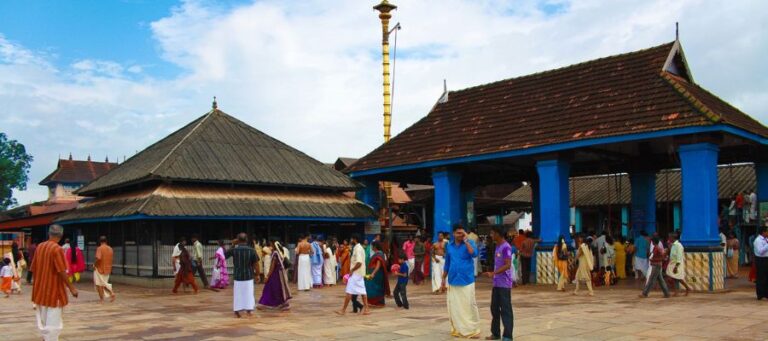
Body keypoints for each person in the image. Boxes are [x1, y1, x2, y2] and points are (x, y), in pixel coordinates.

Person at [30, 224, 79, 341]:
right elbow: (62, 271)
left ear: (49, 234)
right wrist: (71, 288)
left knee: (44, 321)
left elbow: (33, 268)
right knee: (53, 324)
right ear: (61, 236)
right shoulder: (57, 249)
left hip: (40, 291)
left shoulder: (40, 247)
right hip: (54, 292)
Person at [441, 224, 481, 338]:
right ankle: (459, 329)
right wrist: (443, 278)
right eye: (458, 233)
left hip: (467, 279)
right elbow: (447, 263)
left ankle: (473, 330)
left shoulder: (470, 243)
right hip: (453, 279)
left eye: (462, 233)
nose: (460, 235)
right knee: (455, 306)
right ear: (453, 233)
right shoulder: (449, 246)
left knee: (469, 305)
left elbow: (474, 254)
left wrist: (466, 240)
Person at [483, 226, 514, 341]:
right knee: (494, 308)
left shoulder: (506, 247)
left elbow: (507, 265)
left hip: (504, 284)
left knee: (506, 309)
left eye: (492, 233)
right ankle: (495, 333)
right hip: (496, 284)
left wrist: (493, 273)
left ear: (498, 234)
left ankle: (507, 335)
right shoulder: (497, 246)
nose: (491, 235)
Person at [226, 233, 259, 317]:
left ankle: (237, 310)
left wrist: (233, 244)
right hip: (248, 275)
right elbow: (256, 264)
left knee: (238, 293)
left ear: (238, 240)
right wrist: (257, 275)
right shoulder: (252, 250)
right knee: (249, 293)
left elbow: (225, 255)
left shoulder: (234, 250)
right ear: (246, 239)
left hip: (238, 275)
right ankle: (249, 310)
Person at [336, 234, 369, 315]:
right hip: (359, 273)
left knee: (349, 291)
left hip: (356, 273)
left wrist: (352, 270)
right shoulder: (359, 248)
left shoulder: (358, 248)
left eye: (351, 239)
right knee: (363, 291)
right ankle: (366, 309)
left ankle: (343, 310)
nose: (351, 240)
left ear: (354, 239)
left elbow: (359, 262)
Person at [258, 241, 292, 311]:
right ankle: (282, 303)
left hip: (275, 274)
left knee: (270, 287)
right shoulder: (280, 252)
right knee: (279, 288)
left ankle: (265, 303)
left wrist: (267, 276)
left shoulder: (275, 253)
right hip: (280, 273)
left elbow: (272, 266)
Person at [365, 241, 390, 307]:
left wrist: (373, 273)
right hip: (375, 274)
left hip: (377, 275)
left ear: (375, 246)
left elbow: (378, 266)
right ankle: (373, 302)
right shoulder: (377, 253)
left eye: (372, 246)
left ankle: (379, 302)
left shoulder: (379, 254)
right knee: (372, 288)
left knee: (376, 288)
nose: (371, 247)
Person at [94, 236, 115, 302]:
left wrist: (94, 265)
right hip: (108, 268)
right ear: (106, 241)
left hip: (100, 269)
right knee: (104, 283)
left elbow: (98, 258)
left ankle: (102, 299)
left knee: (99, 284)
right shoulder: (110, 249)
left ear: (100, 241)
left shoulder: (99, 248)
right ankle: (111, 293)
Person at [754, 226, 768, 300]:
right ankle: (760, 294)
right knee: (761, 277)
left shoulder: (766, 239)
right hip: (761, 260)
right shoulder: (758, 240)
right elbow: (760, 251)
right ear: (763, 232)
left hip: (766, 259)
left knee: (766, 277)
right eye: (766, 231)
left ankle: (766, 293)